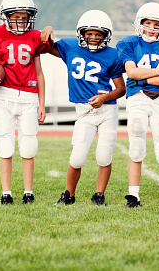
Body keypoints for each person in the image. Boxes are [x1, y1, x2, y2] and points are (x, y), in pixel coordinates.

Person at [41, 10, 126, 206]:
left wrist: (105, 97)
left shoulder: (113, 55)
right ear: (82, 33)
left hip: (107, 111)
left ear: (106, 36)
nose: (94, 38)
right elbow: (46, 47)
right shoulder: (70, 46)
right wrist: (48, 29)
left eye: (98, 34)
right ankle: (68, 195)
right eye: (90, 33)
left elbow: (121, 89)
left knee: (104, 156)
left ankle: (99, 195)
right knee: (77, 157)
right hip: (84, 112)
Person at [0, 0, 49, 205]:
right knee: (4, 145)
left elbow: (39, 73)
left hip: (29, 97)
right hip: (4, 96)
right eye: (15, 16)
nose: (20, 21)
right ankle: (6, 193)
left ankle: (28, 192)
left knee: (28, 145)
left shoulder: (35, 37)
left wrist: (42, 103)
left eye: (24, 17)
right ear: (5, 17)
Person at [116, 2, 159, 208]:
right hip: (136, 97)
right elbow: (132, 73)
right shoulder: (129, 43)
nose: (152, 28)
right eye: (148, 23)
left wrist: (143, 78)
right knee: (136, 144)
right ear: (140, 24)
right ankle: (133, 195)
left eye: (157, 24)